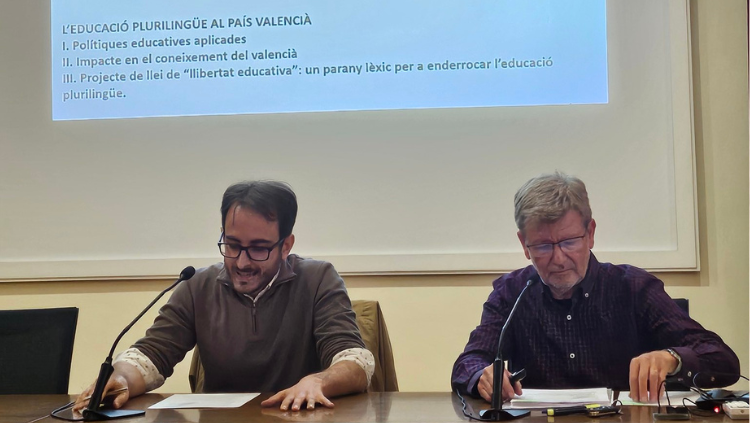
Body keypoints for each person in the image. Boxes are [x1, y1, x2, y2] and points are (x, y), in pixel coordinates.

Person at [75, 180, 374, 412]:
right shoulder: (197, 286)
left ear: (286, 246)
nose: (242, 262)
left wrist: (318, 380)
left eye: (259, 248)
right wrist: (122, 377)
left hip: (298, 417)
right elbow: (150, 356)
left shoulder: (318, 279)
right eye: (232, 245)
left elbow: (355, 362)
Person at [451, 172, 740, 404]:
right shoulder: (511, 292)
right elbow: (469, 362)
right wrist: (482, 376)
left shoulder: (635, 288)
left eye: (569, 242)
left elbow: (723, 360)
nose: (558, 258)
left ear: (590, 234)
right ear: (523, 245)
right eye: (542, 246)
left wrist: (672, 358)